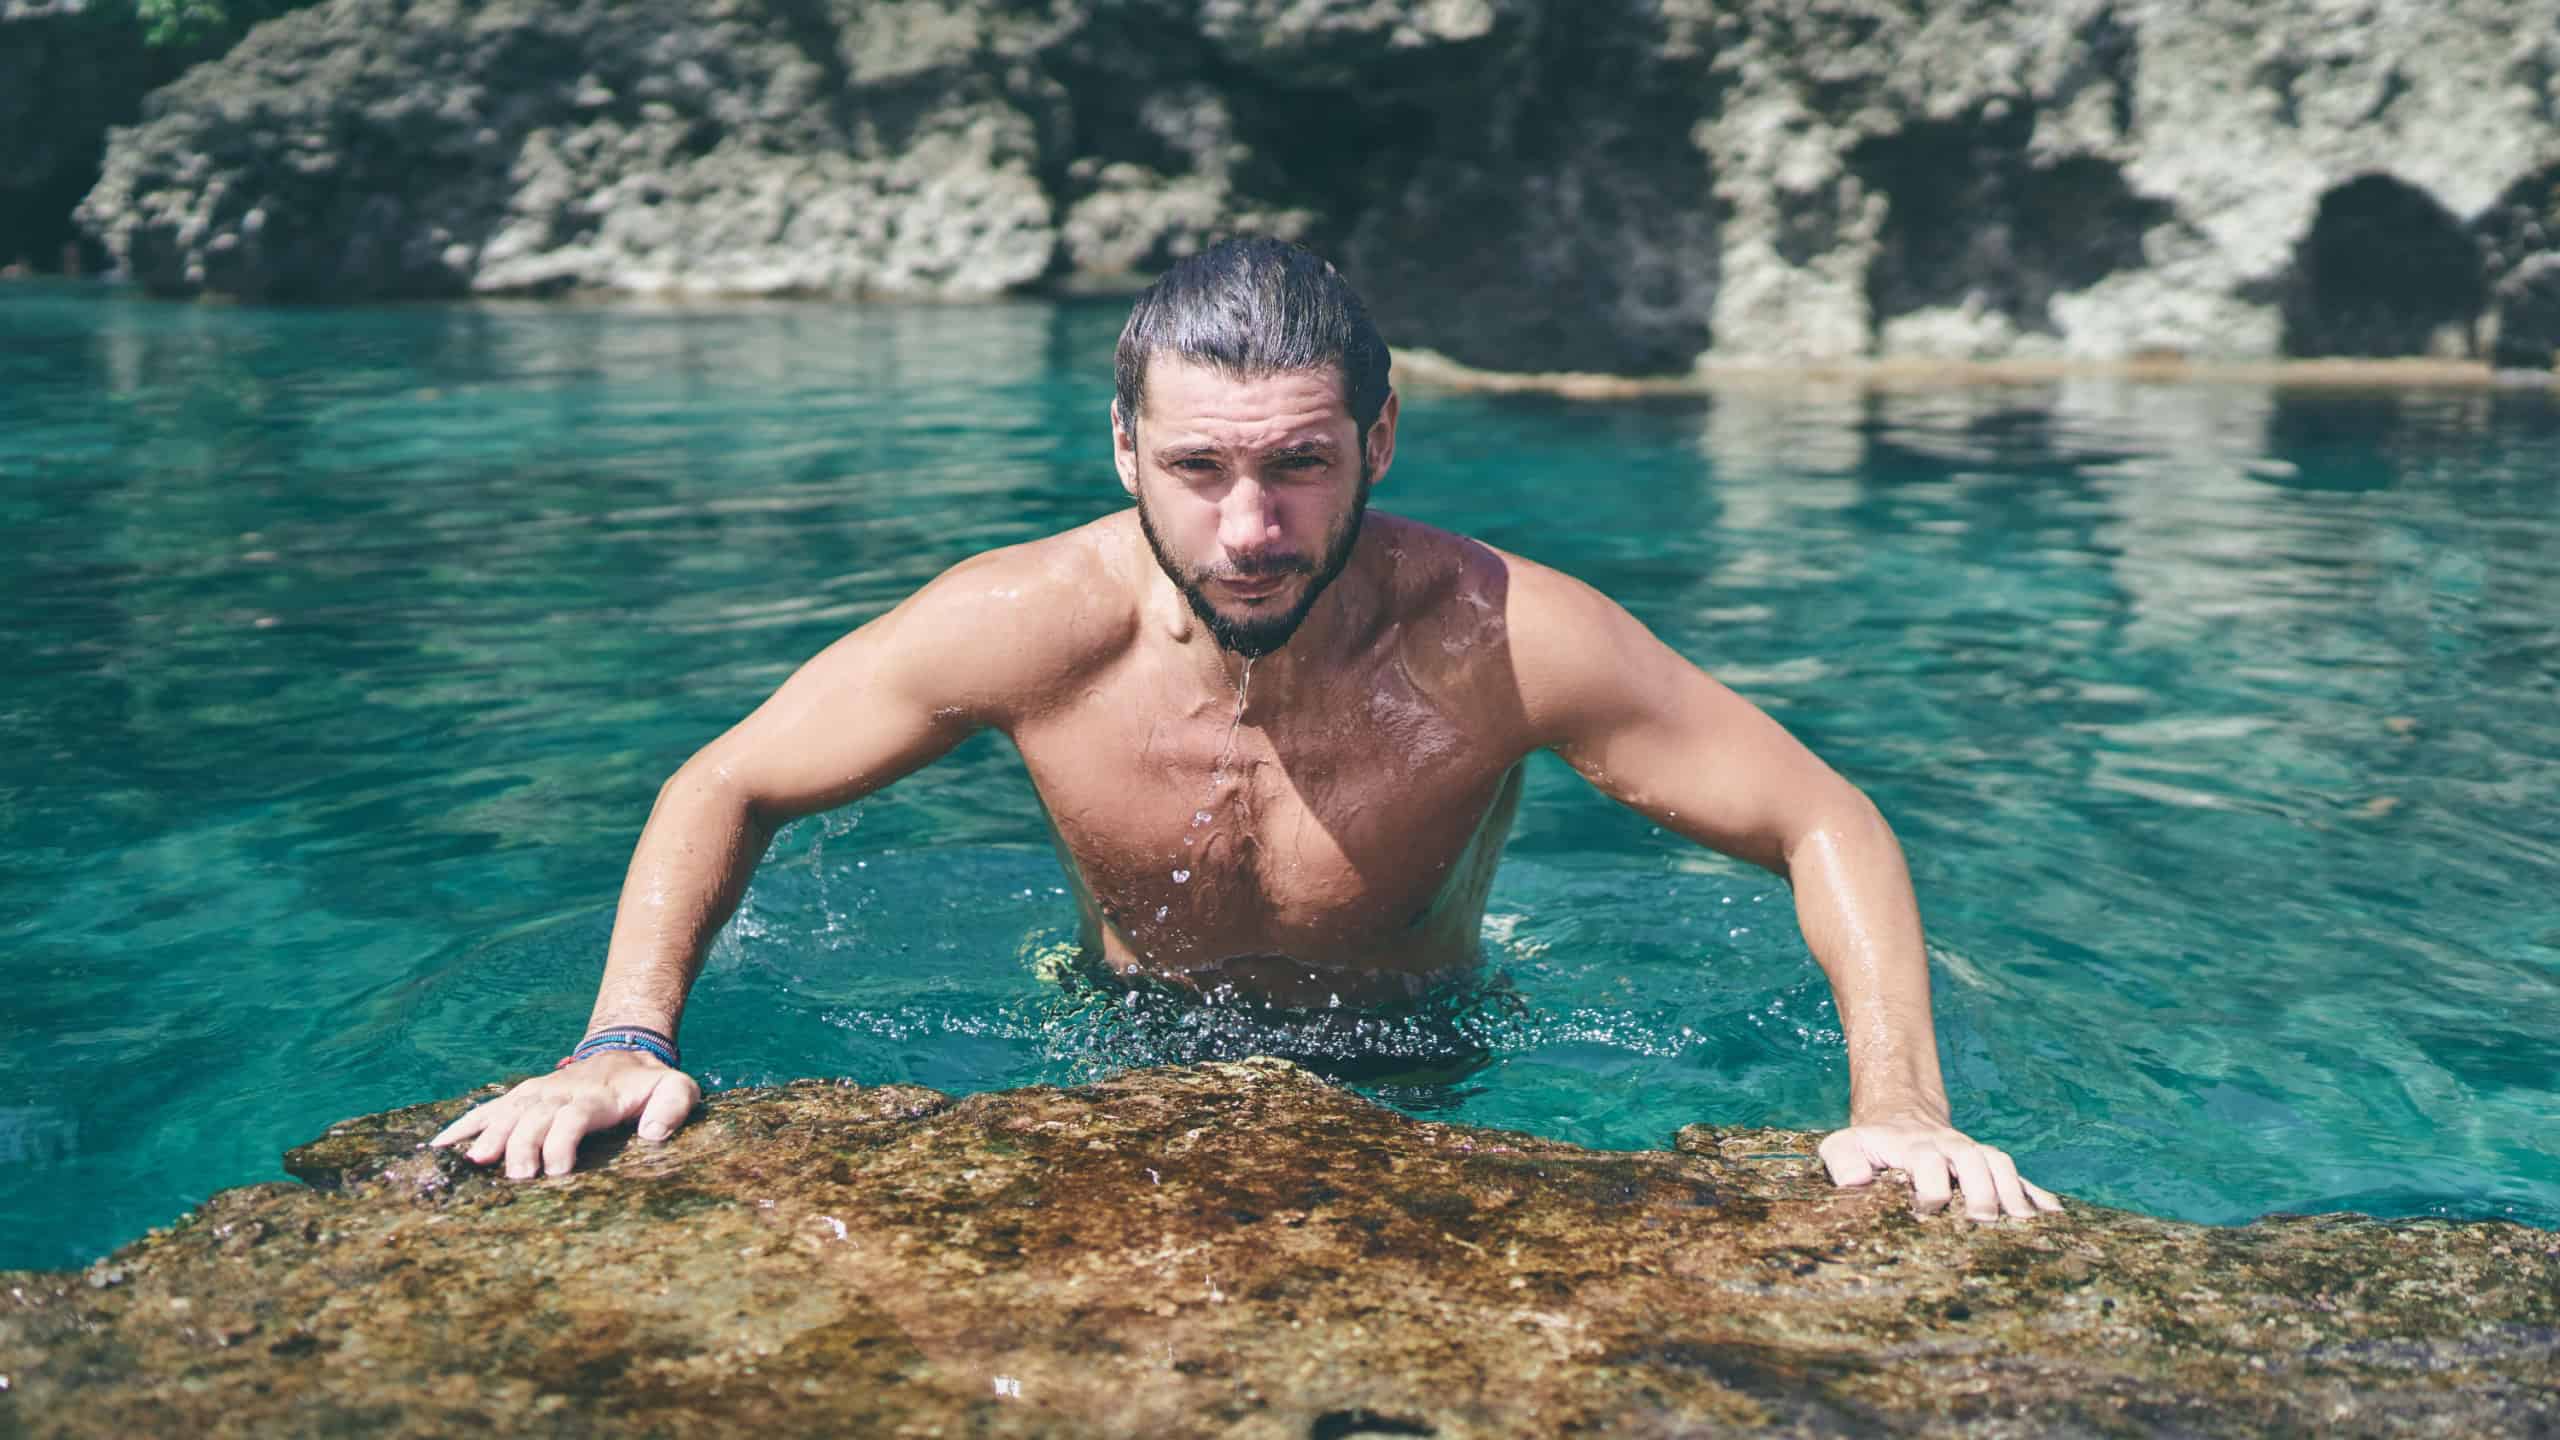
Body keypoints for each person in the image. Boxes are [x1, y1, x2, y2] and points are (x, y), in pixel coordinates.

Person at [431, 237, 2062, 1222]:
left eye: (1299, 465)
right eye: (1202, 470)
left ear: (1383, 440)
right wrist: (622, 1045)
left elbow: (1820, 817)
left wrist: (1900, 1108)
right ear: (1125, 450)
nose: (1253, 527)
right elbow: (727, 781)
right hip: (1109, 1047)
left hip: (1429, 1067)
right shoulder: (1024, 622)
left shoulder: (1503, 638)